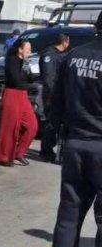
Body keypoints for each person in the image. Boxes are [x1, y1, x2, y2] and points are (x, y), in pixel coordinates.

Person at [49, 12, 102, 247]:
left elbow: (55, 100)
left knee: (68, 218)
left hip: (74, 144)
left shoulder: (72, 57)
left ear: (96, 28)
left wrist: (58, 136)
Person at [0, 38, 38, 166]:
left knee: (32, 126)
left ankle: (19, 153)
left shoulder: (23, 62)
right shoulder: (11, 60)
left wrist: (27, 66)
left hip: (22, 95)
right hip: (12, 94)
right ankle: (4, 157)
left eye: (30, 50)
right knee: (10, 127)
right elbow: (16, 81)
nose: (30, 52)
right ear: (20, 49)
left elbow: (30, 79)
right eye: (28, 49)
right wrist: (27, 80)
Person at [39, 33, 70, 162]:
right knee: (51, 123)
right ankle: (46, 151)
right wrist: (54, 96)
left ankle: (51, 150)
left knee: (56, 123)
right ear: (65, 42)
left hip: (61, 94)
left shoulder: (60, 55)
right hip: (52, 95)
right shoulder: (49, 55)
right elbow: (48, 77)